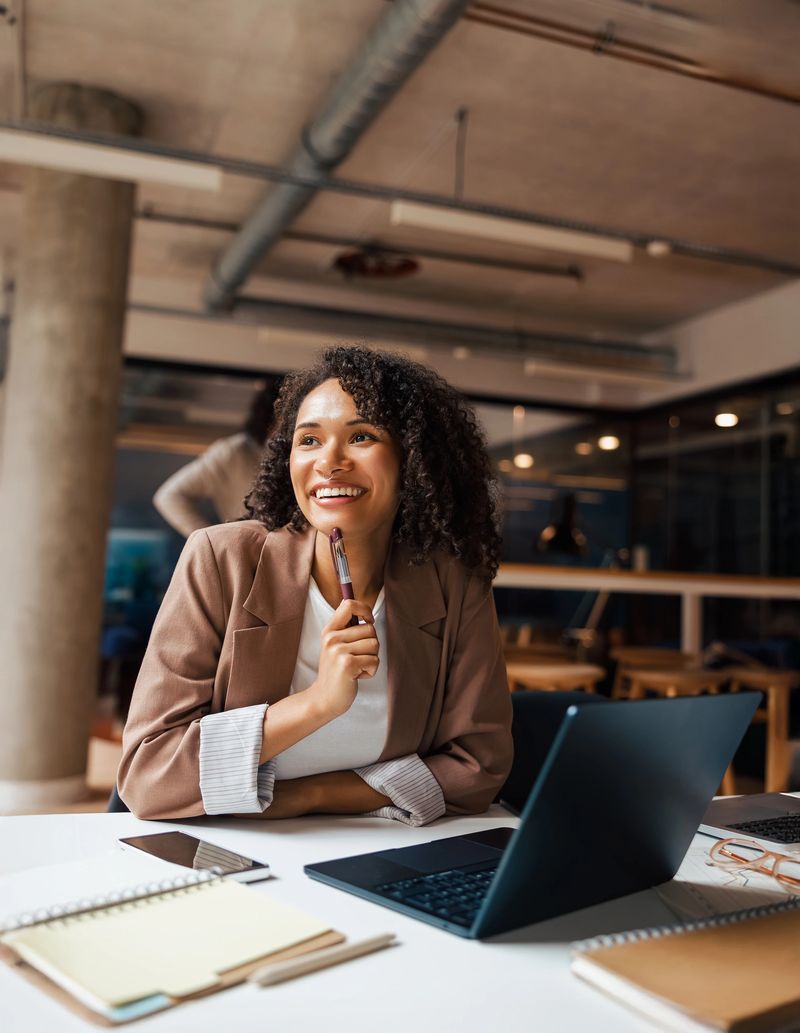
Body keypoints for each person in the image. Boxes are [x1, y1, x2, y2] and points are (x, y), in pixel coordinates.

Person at [118, 346, 513, 824]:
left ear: (413, 462)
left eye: (361, 436)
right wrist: (317, 703)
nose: (329, 462)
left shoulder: (454, 583)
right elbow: (149, 773)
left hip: (382, 848)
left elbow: (478, 766)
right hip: (233, 849)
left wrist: (312, 796)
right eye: (308, 441)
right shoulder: (221, 559)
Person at [152, 377, 282, 536]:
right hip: (248, 552)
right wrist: (211, 539)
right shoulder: (234, 452)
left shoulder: (302, 453)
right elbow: (169, 496)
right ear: (269, 414)